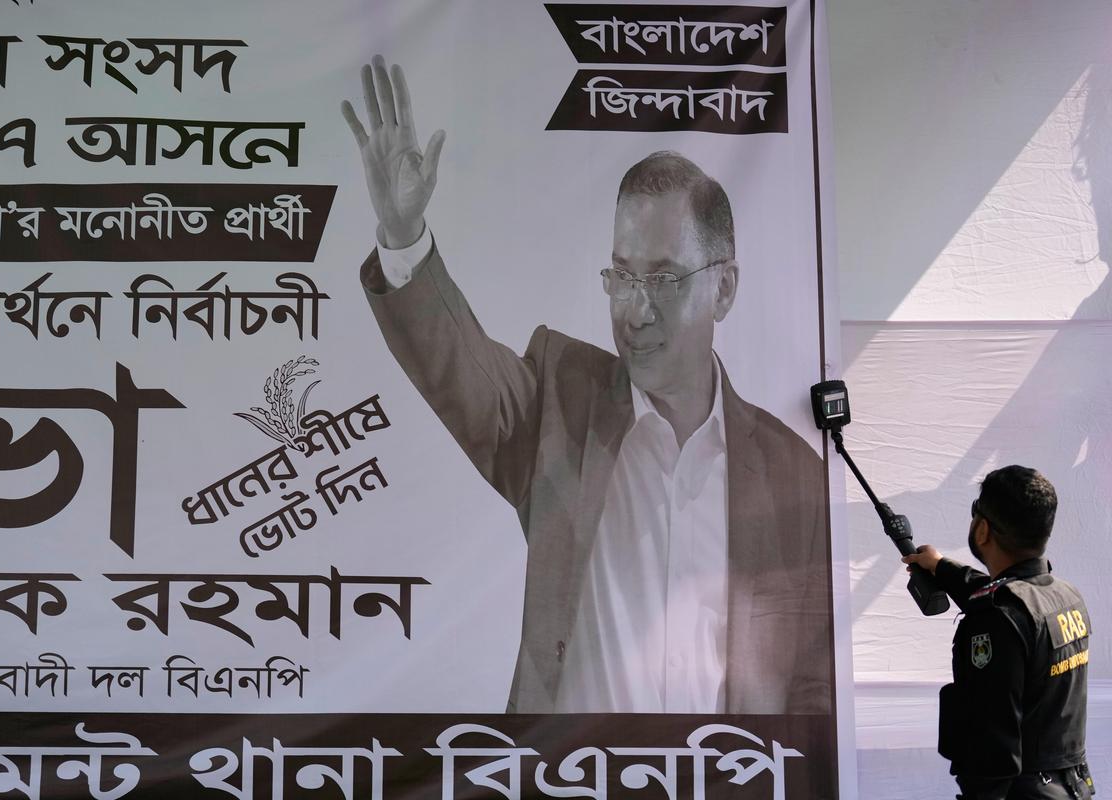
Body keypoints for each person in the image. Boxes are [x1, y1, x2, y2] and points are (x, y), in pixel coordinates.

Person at [342, 55, 831, 714]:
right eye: (622, 276)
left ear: (724, 288)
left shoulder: (792, 475)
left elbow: (811, 691)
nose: (635, 309)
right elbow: (458, 369)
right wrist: (404, 237)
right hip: (573, 768)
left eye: (663, 279)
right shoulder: (559, 407)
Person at [903, 466, 1093, 799]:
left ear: (983, 530)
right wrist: (941, 566)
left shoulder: (996, 621)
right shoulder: (1066, 597)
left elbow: (991, 750)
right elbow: (1009, 596)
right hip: (1070, 787)